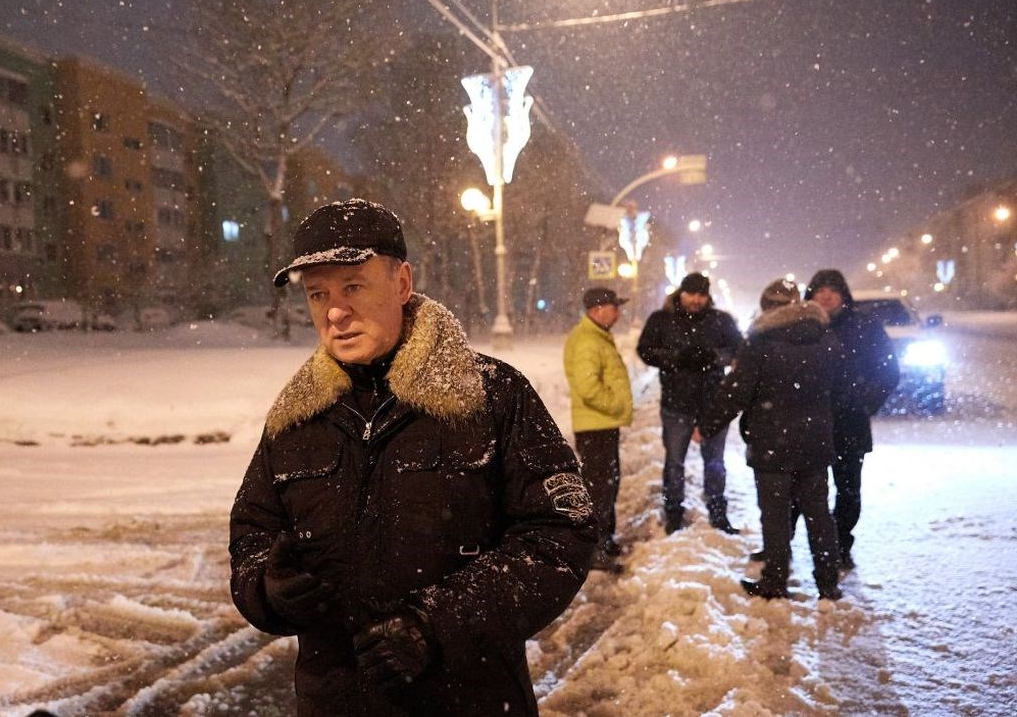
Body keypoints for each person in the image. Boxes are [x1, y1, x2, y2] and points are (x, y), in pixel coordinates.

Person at [228, 199, 596, 716]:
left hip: (470, 701)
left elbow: (560, 537)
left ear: (401, 284)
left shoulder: (492, 396)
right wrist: (269, 587)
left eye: (353, 286)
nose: (335, 311)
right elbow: (251, 538)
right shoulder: (295, 419)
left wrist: (437, 625)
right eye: (318, 294)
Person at [699, 279, 848, 600]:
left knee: (776, 514)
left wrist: (709, 424)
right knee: (819, 514)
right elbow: (842, 388)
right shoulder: (825, 338)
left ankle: (776, 580)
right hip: (815, 441)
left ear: (766, 308)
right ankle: (827, 582)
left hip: (772, 441)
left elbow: (735, 392)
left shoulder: (761, 342)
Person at [800, 268, 899, 571]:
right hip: (808, 423)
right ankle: (803, 547)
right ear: (811, 295)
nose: (826, 295)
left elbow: (888, 371)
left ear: (843, 294)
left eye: (833, 289)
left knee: (848, 490)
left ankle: (841, 545)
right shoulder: (802, 327)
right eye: (820, 290)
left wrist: (865, 402)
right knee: (805, 491)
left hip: (849, 423)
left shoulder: (864, 326)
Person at [637, 272, 744, 535]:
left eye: (701, 295)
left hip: (713, 404)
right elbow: (646, 350)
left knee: (715, 462)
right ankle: (674, 512)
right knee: (674, 462)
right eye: (691, 294)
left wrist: (712, 357)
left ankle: (718, 512)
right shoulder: (662, 319)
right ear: (681, 293)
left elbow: (739, 350)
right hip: (677, 403)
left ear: (708, 296)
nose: (696, 300)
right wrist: (677, 358)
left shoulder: (721, 321)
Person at [563, 287, 634, 571]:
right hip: (596, 425)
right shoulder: (588, 341)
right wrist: (617, 405)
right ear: (597, 310)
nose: (618, 312)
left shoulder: (596, 336)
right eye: (614, 306)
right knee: (598, 488)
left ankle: (605, 540)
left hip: (601, 424)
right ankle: (594, 549)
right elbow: (587, 386)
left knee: (607, 484)